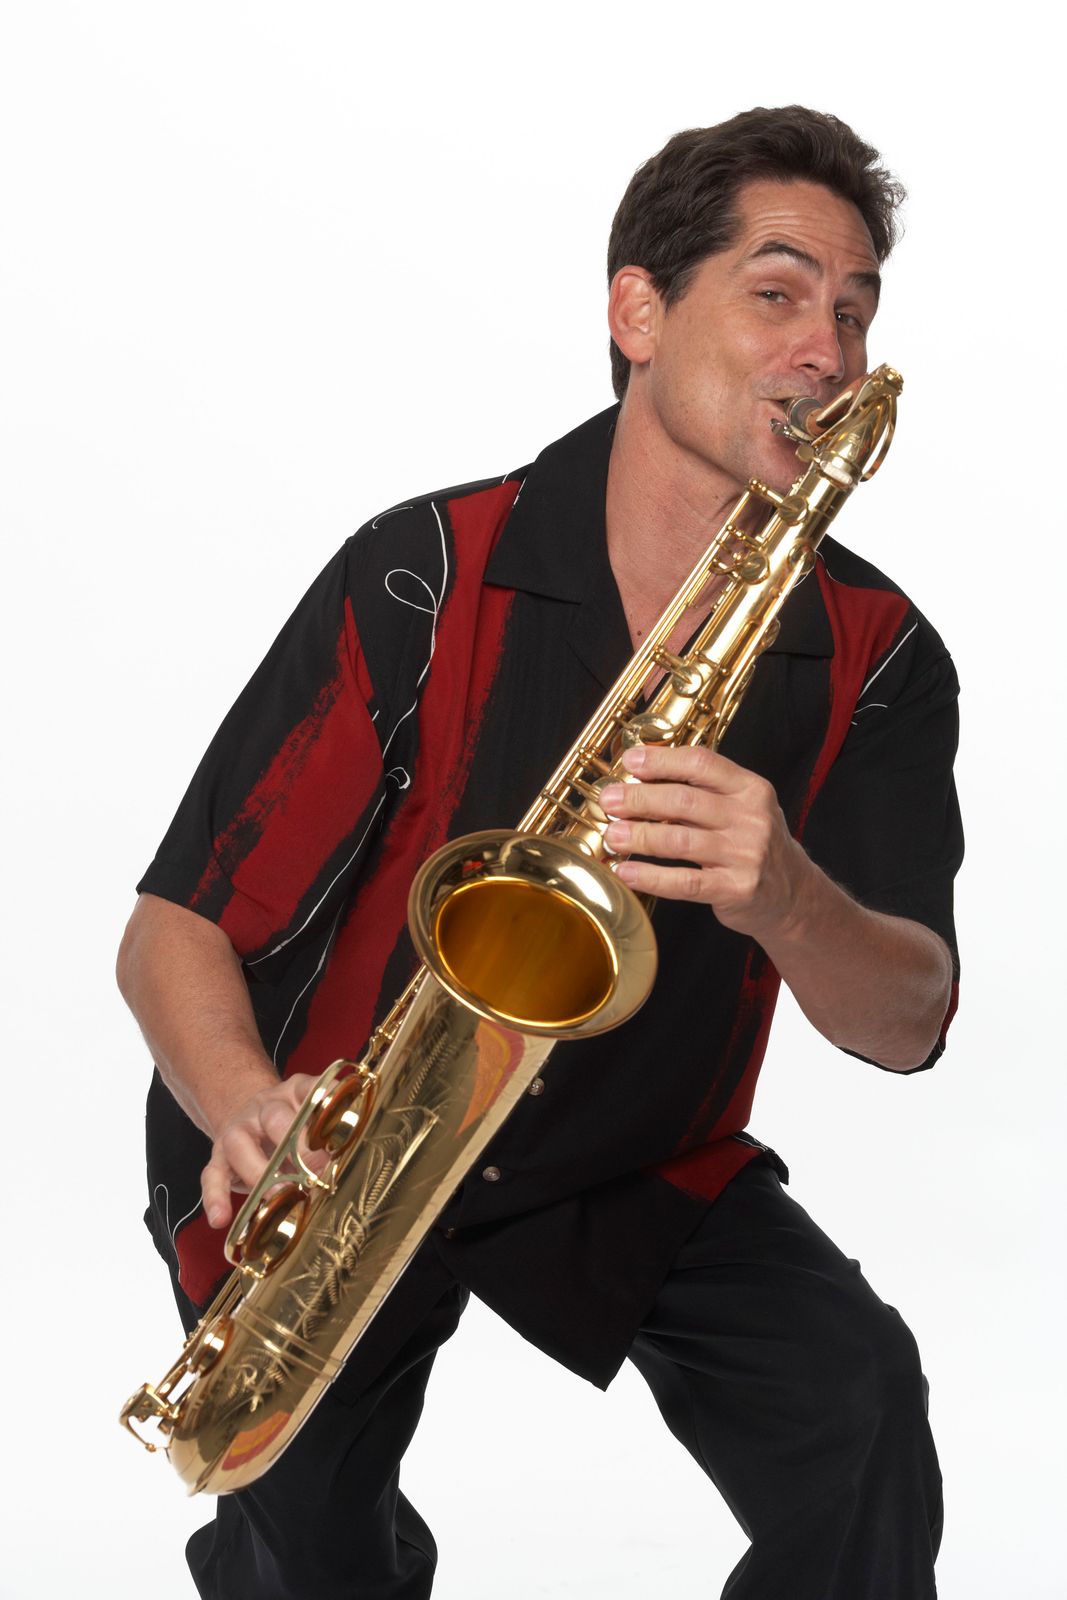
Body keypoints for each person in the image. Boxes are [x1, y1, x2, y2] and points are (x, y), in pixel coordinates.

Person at [118, 105, 962, 1599]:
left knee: (862, 1415)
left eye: (853, 310)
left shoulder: (879, 649)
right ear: (638, 311)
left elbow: (909, 1021)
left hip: (629, 1149)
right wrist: (244, 1106)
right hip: (338, 1142)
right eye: (776, 293)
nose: (825, 350)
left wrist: (787, 896)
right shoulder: (424, 571)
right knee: (310, 1549)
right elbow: (169, 930)